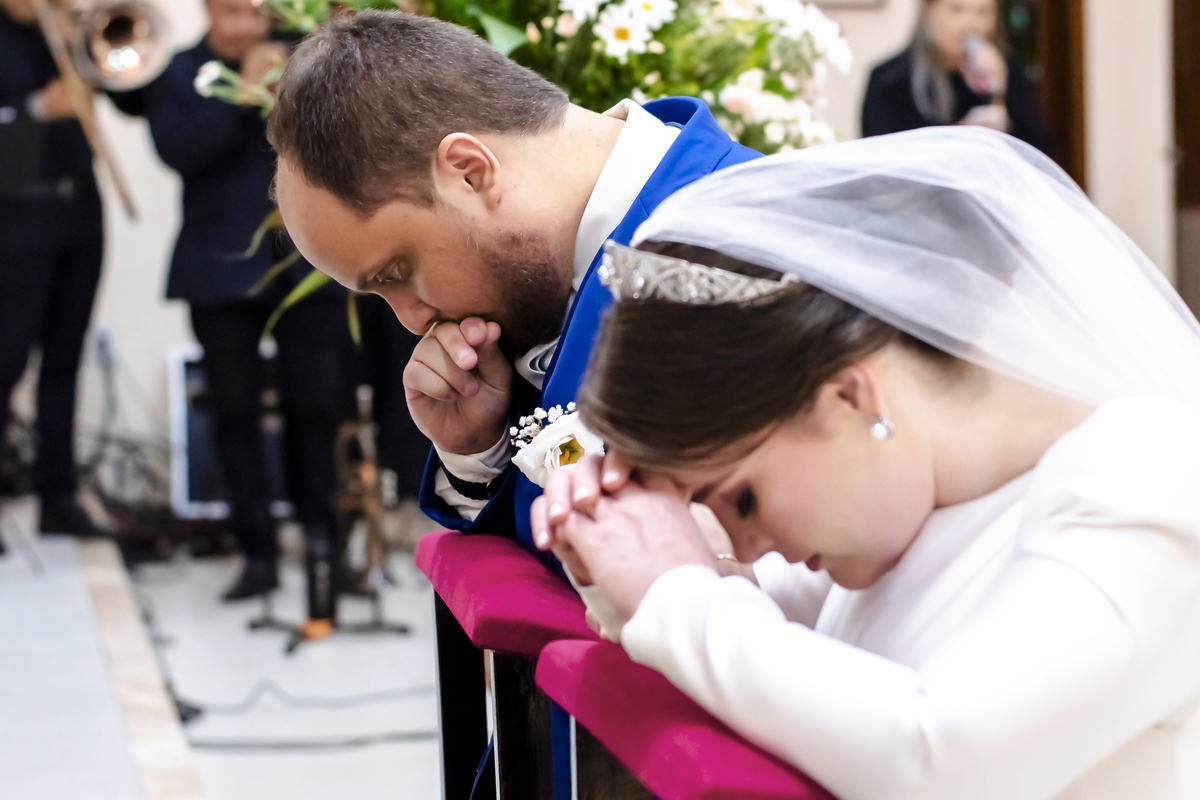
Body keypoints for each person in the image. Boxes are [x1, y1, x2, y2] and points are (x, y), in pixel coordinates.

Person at [531, 128, 1200, 800]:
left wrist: (672, 591)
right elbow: (763, 642)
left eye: (742, 499)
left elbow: (940, 755)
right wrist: (628, 548)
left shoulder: (1148, 471)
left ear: (850, 396)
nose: (744, 541)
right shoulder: (910, 513)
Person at [268, 10, 758, 557]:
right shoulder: (535, 285)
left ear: (470, 171)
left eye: (398, 273)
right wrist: (480, 454)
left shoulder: (744, 250)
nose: (410, 319)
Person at [109, 0, 354, 601]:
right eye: (232, 5)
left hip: (307, 261)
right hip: (217, 268)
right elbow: (179, 153)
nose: (247, 13)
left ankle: (327, 544)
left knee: (318, 406)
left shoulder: (304, 52)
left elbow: (344, 137)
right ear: (208, 9)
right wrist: (242, 91)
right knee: (234, 409)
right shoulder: (175, 69)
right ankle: (257, 552)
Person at [0, 0, 111, 537]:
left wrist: (81, 41)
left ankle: (58, 497)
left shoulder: (67, 32)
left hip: (81, 212)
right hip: (16, 214)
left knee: (65, 361)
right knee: (6, 362)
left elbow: (131, 88)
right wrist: (36, 109)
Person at [861, 0, 1053, 155]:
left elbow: (1041, 151)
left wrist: (1000, 93)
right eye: (957, 10)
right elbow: (881, 157)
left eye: (982, 12)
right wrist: (962, 134)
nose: (970, 23)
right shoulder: (890, 78)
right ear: (928, 10)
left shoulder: (1006, 70)